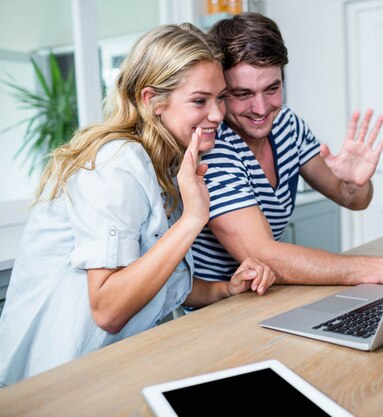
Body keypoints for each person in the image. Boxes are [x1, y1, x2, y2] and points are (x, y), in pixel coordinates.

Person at [0, 23, 275, 386]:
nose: (217, 115)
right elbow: (109, 309)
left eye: (221, 97)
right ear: (152, 101)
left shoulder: (169, 162)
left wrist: (227, 289)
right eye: (200, 100)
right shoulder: (117, 162)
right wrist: (192, 219)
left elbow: (157, 279)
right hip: (53, 380)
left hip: (110, 369)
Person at [191, 12, 383, 285]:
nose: (261, 108)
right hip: (215, 311)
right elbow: (263, 255)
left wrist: (354, 184)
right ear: (220, 89)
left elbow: (354, 200)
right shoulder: (213, 149)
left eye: (272, 88)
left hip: (267, 294)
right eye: (243, 94)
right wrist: (380, 268)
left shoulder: (287, 125)